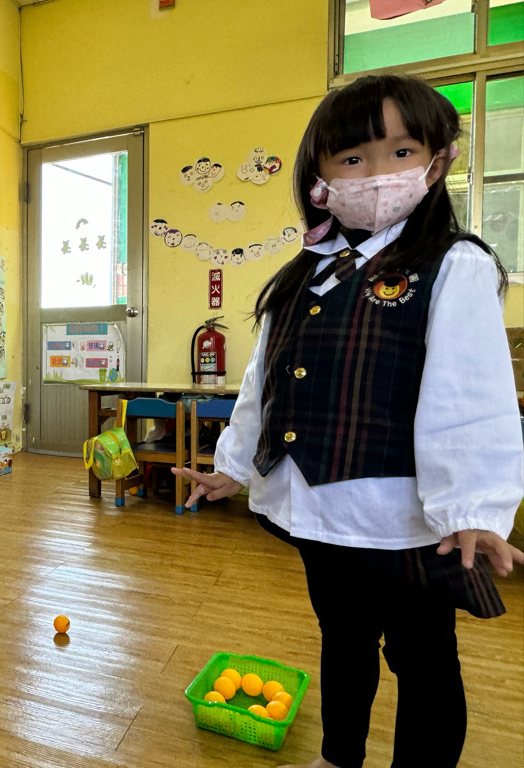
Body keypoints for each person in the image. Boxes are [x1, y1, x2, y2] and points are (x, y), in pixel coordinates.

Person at [174, 74, 523, 768]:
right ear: (321, 178)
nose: (378, 173)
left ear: (436, 162)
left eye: (401, 152)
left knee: (424, 660)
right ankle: (340, 757)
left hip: (405, 521)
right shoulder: (305, 273)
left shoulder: (453, 265)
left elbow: (469, 396)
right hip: (319, 512)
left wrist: (474, 506)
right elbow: (262, 383)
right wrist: (232, 468)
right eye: (354, 158)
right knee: (342, 639)